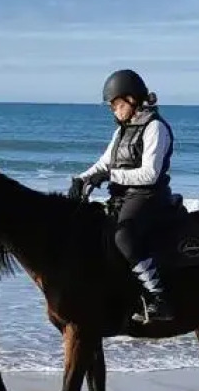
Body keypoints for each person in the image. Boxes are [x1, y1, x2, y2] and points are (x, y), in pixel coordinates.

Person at [68, 69, 175, 323]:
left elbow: (150, 174)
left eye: (116, 104)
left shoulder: (155, 128)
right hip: (124, 196)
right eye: (112, 106)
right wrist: (82, 178)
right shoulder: (122, 131)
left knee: (123, 234)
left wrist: (111, 177)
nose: (113, 110)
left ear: (132, 100)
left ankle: (160, 298)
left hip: (149, 196)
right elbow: (105, 164)